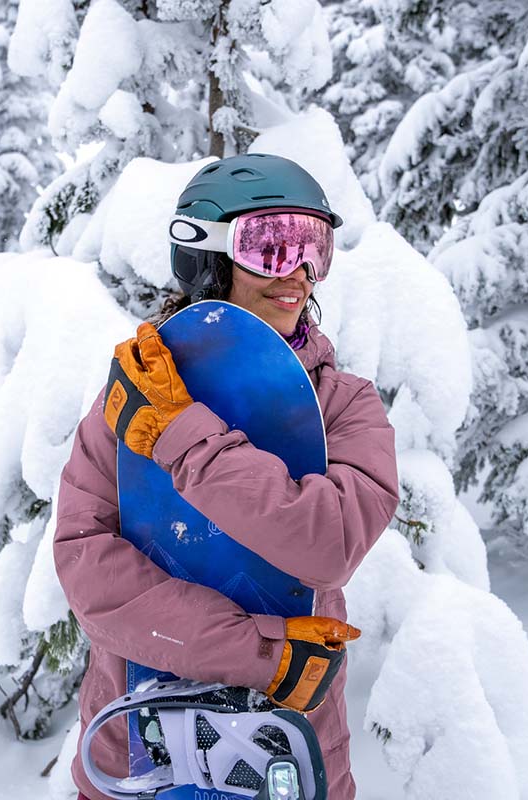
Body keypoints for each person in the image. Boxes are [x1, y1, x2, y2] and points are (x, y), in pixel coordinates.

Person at [54, 153, 399, 800]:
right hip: (137, 759)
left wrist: (184, 438)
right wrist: (261, 655)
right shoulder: (132, 402)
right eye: (271, 248)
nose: (296, 272)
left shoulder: (346, 407)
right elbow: (90, 576)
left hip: (293, 761)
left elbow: (326, 546)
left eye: (313, 249)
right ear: (206, 259)